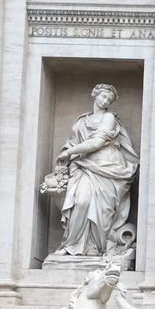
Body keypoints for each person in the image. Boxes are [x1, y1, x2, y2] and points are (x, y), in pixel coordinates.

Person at [54, 84, 139, 258]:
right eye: (103, 96)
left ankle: (96, 247)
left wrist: (70, 152)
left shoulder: (109, 118)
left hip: (108, 165)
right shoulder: (81, 121)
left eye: (109, 99)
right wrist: (68, 152)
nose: (106, 100)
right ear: (95, 95)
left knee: (103, 210)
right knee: (82, 201)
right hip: (85, 165)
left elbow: (97, 142)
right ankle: (72, 244)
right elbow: (74, 142)